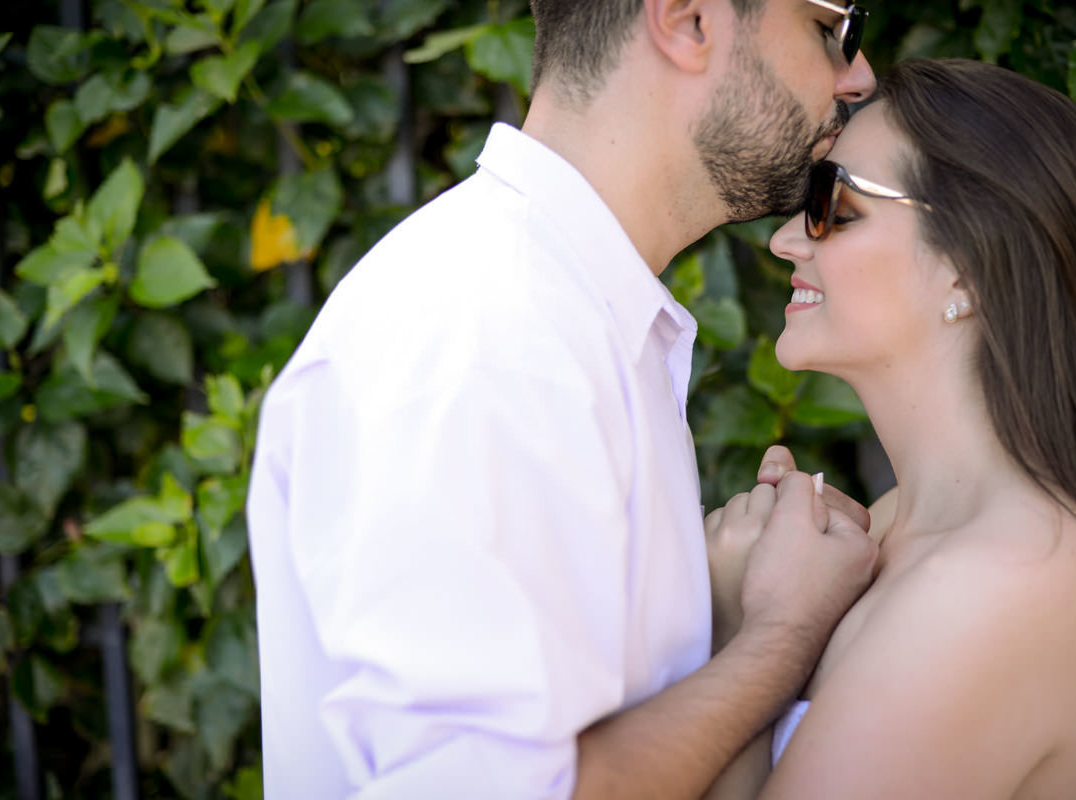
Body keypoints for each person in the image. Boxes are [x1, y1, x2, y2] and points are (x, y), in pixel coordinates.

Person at [246, 1, 879, 797]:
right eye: (832, 28)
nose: (858, 73)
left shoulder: (557, 314)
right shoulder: (487, 334)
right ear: (688, 21)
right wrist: (780, 633)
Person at [704, 58, 1076, 799]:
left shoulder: (1000, 585)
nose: (786, 239)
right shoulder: (898, 529)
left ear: (966, 268)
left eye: (831, 202)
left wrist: (749, 635)